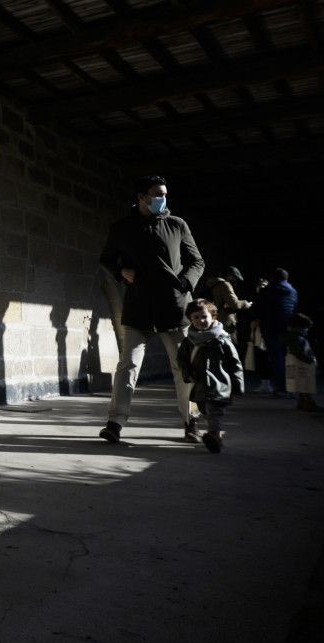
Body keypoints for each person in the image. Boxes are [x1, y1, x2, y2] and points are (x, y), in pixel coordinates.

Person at [98, 175, 206, 444]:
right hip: (139, 306)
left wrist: (184, 284)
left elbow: (197, 261)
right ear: (141, 197)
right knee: (129, 364)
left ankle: (190, 421)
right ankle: (115, 422)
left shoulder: (177, 225)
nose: (163, 199)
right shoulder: (121, 228)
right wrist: (122, 272)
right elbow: (107, 259)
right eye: (157, 194)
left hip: (174, 306)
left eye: (165, 194)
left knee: (183, 368)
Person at [178, 299, 244, 454]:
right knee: (203, 410)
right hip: (199, 386)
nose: (200, 321)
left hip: (219, 384)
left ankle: (213, 436)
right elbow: (182, 360)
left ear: (213, 316)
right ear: (190, 319)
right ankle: (217, 436)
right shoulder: (189, 341)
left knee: (215, 412)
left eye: (204, 316)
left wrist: (238, 384)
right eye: (196, 317)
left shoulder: (222, 339)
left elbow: (235, 363)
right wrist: (187, 374)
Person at [256, 268, 298, 398]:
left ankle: (282, 388)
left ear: (273, 278)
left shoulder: (267, 291)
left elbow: (258, 309)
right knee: (289, 358)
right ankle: (293, 388)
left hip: (270, 328)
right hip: (288, 328)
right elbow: (295, 307)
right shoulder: (293, 291)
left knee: (276, 359)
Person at [285, 313, 324, 413]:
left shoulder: (289, 337)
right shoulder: (299, 339)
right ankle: (308, 403)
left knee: (300, 385)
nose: (307, 331)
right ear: (299, 328)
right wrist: (311, 360)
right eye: (306, 328)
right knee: (306, 384)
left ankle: (301, 402)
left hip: (294, 366)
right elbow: (299, 353)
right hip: (303, 366)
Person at [205, 266, 253, 340]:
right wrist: (246, 303)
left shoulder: (213, 284)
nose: (235, 280)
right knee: (231, 346)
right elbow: (235, 304)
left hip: (214, 319)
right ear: (229, 276)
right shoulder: (225, 285)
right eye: (234, 277)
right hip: (225, 321)